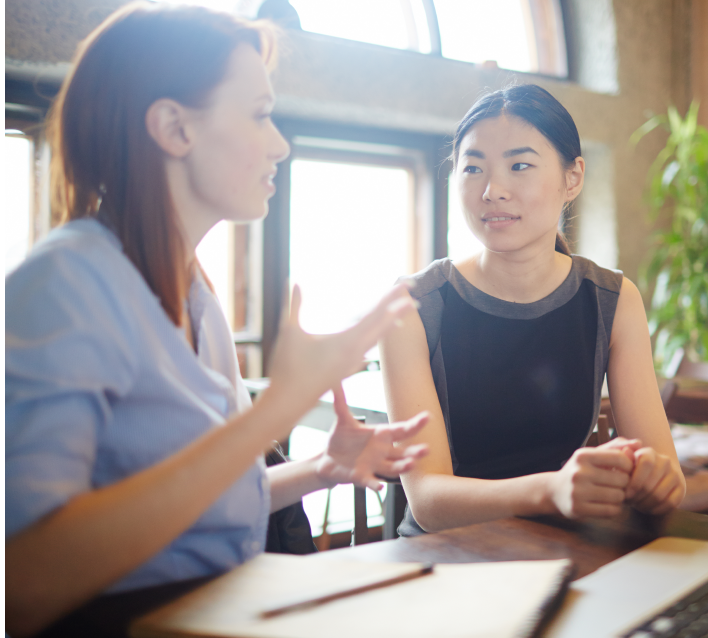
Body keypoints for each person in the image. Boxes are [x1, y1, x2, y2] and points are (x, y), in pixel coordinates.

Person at [5, 4, 428, 634]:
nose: (280, 142)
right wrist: (276, 409)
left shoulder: (195, 292)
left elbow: (199, 499)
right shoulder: (64, 284)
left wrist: (322, 469)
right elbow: (24, 582)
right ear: (174, 128)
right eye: (260, 115)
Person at [380, 84, 686, 536]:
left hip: (567, 548)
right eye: (473, 168)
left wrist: (653, 480)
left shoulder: (612, 299)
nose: (492, 190)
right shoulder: (413, 304)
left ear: (573, 178)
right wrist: (551, 491)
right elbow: (427, 500)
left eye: (519, 165)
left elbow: (669, 478)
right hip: (445, 560)